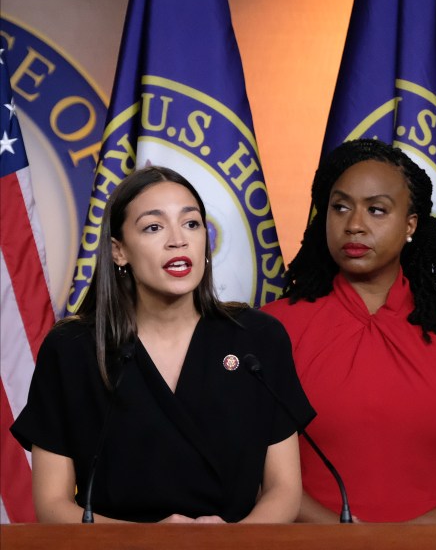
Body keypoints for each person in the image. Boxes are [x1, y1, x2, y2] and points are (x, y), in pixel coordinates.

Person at [261, 138, 436, 549]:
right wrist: (343, 538)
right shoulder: (272, 330)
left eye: (376, 210)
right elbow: (252, 467)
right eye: (340, 207)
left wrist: (410, 539)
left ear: (410, 224)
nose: (354, 224)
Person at [11, 166, 314, 523]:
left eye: (191, 223)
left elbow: (284, 490)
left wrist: (232, 543)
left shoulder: (259, 338)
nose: (178, 240)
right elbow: (52, 505)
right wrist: (149, 542)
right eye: (154, 227)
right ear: (118, 251)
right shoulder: (72, 349)